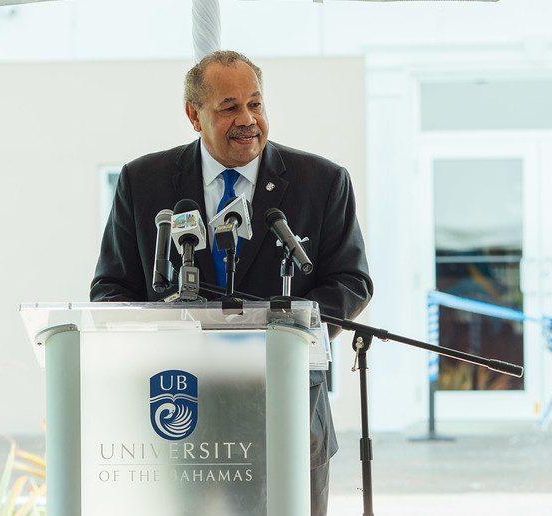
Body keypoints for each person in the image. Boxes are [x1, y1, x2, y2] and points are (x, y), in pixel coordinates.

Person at [90, 50, 373, 516]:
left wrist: (281, 330)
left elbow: (351, 280)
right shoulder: (143, 181)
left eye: (255, 104)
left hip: (288, 407)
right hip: (179, 409)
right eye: (229, 107)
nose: (248, 120)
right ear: (193, 115)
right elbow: (111, 289)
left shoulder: (322, 182)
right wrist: (164, 336)